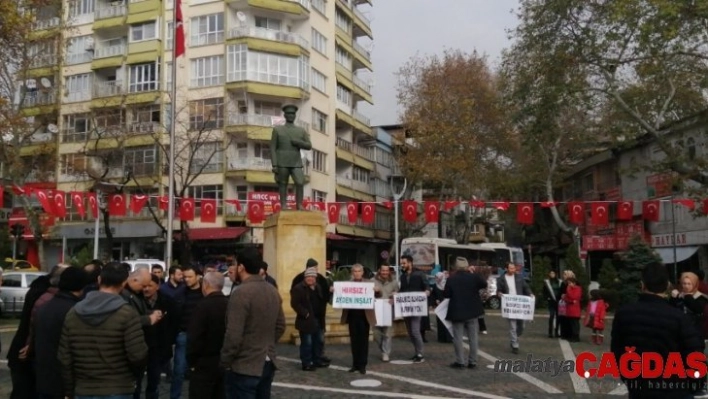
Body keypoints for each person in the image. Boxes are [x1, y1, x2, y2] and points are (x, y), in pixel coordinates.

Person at [611, 262, 705, 399]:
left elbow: (617, 352)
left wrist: (630, 379)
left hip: (640, 388)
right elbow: (695, 355)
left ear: (642, 284)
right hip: (675, 389)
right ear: (667, 285)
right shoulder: (679, 318)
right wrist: (693, 386)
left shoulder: (624, 314)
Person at [58, 262, 148, 398]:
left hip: (84, 388)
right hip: (118, 386)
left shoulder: (73, 312)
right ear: (124, 283)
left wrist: (69, 390)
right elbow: (138, 355)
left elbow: (64, 357)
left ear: (99, 279)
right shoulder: (127, 314)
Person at [222, 247, 286, 398]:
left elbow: (233, 335)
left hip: (245, 366)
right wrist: (266, 344)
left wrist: (225, 361)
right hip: (267, 362)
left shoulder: (241, 293)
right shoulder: (272, 290)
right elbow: (280, 325)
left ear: (242, 267)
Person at [32, 267, 88, 399]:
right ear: (82, 286)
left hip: (44, 379)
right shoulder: (75, 311)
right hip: (64, 383)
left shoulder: (44, 307)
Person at [187, 272, 228, 399]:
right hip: (224, 360)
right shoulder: (230, 304)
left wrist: (191, 361)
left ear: (205, 285)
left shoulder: (202, 306)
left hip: (203, 362)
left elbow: (194, 336)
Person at [445, 257, 487, 369]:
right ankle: (473, 361)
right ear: (467, 266)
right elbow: (484, 284)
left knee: (458, 338)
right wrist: (473, 273)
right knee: (473, 338)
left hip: (457, 312)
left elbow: (446, 294)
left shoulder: (451, 279)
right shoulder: (473, 277)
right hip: (472, 311)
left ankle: (460, 361)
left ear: (456, 268)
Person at [270, 104, 312, 209]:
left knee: (300, 182)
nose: (291, 115)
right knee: (283, 183)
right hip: (282, 161)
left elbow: (309, 145)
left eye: (293, 114)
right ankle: (283, 204)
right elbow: (272, 148)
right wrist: (274, 165)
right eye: (288, 113)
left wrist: (298, 142)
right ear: (285, 115)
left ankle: (299, 204)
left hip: (296, 162)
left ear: (295, 115)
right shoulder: (278, 130)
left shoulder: (301, 131)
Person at [290, 258, 331, 365]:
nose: (311, 278)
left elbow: (325, 296)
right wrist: (305, 313)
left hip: (318, 317)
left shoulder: (318, 284)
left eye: (313, 276)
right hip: (307, 319)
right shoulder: (298, 285)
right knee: (307, 342)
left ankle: (317, 359)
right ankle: (307, 363)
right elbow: (295, 303)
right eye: (309, 276)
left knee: (319, 340)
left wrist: (331, 292)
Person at [341, 264, 376, 374]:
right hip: (352, 316)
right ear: (352, 273)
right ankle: (355, 364)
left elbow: (378, 294)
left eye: (358, 271)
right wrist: (334, 290)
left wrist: (377, 290)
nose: (357, 273)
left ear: (362, 272)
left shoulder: (369, 283)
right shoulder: (347, 284)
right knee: (354, 341)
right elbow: (340, 294)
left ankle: (362, 365)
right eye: (354, 271)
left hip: (364, 316)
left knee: (363, 341)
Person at [496, 263, 533, 354]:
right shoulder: (502, 279)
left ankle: (515, 337)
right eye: (511, 268)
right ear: (506, 268)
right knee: (512, 326)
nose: (513, 270)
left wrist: (530, 293)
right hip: (509, 305)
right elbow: (499, 290)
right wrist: (500, 294)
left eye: (514, 268)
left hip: (519, 304)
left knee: (522, 325)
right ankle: (514, 344)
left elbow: (525, 287)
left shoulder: (519, 277)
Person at [399, 254, 430, 363]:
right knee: (410, 332)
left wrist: (427, 291)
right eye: (401, 263)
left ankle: (420, 353)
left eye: (404, 263)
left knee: (415, 330)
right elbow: (402, 290)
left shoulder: (419, 274)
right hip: (407, 307)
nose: (402, 265)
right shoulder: (402, 276)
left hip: (417, 306)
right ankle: (417, 352)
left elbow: (427, 286)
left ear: (410, 263)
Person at [372, 263, 398, 362]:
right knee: (376, 333)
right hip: (376, 309)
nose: (385, 272)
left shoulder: (394, 282)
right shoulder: (372, 281)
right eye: (383, 270)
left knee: (387, 333)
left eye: (387, 271)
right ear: (379, 270)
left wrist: (395, 296)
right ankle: (383, 349)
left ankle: (385, 352)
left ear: (389, 271)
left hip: (388, 309)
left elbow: (398, 295)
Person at [670, 271, 708, 337]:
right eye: (684, 283)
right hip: (679, 332)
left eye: (689, 284)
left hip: (695, 332)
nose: (686, 286)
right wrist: (673, 298)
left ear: (694, 284)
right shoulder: (679, 295)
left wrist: (687, 296)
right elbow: (671, 310)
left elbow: (697, 309)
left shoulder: (700, 297)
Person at [431, 272, 453, 343]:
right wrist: (435, 301)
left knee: (447, 321)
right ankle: (441, 338)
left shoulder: (447, 285)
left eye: (439, 277)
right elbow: (433, 295)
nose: (437, 279)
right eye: (436, 278)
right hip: (439, 307)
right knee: (440, 322)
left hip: (447, 306)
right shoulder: (435, 286)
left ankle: (449, 338)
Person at [562, 277, 582, 343]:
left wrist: (568, 290)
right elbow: (566, 298)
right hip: (569, 308)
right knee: (570, 324)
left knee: (575, 324)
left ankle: (576, 336)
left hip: (575, 309)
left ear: (574, 283)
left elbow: (574, 296)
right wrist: (570, 300)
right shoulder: (570, 289)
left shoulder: (577, 288)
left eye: (570, 283)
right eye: (568, 283)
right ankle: (571, 336)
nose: (569, 284)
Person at [543, 270, 562, 338]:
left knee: (558, 317)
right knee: (551, 316)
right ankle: (550, 332)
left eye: (553, 273)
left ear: (556, 274)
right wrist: (547, 298)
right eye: (551, 273)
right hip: (551, 301)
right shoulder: (547, 282)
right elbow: (544, 291)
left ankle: (557, 332)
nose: (552, 274)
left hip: (558, 301)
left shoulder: (559, 281)